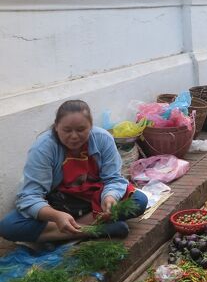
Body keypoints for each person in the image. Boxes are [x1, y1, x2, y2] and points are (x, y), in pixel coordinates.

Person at [0, 100, 148, 243]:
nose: (74, 136)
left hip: (93, 200)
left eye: (81, 129)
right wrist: (56, 216)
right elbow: (29, 195)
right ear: (57, 127)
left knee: (138, 201)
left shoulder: (103, 139)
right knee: (9, 226)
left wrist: (110, 197)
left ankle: (64, 232)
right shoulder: (44, 147)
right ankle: (96, 230)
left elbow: (114, 178)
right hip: (59, 202)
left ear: (90, 126)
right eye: (67, 130)